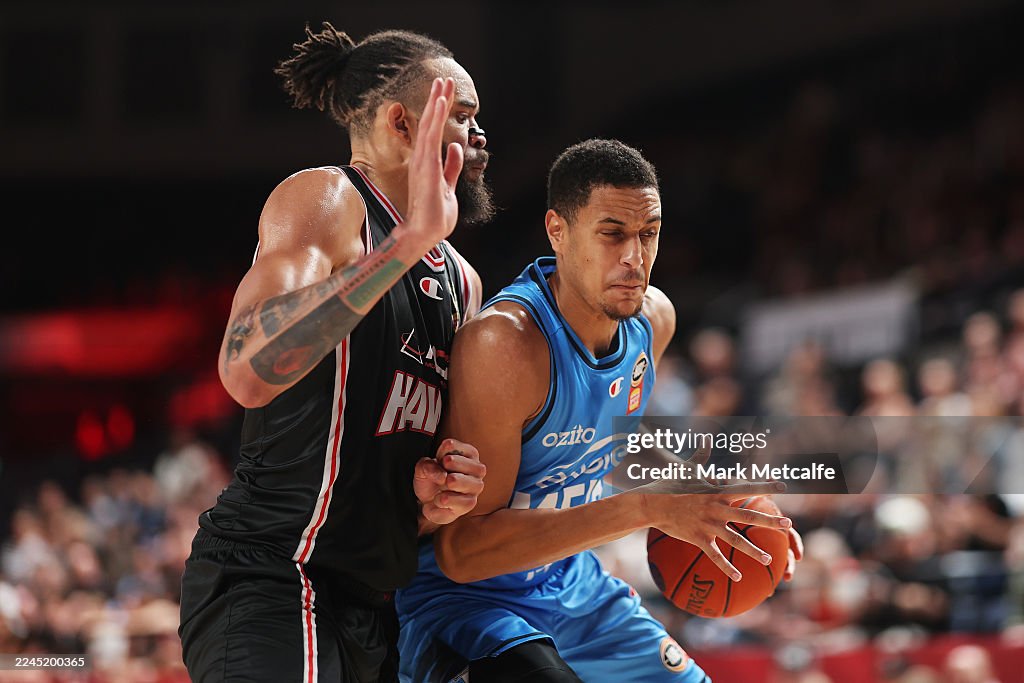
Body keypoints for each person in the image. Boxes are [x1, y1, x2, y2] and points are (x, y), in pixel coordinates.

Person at [396, 139, 802, 682]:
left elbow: (600, 446)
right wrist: (646, 509)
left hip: (572, 585)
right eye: (612, 234)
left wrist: (720, 505)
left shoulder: (654, 319)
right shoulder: (507, 346)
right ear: (558, 231)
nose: (635, 258)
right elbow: (462, 553)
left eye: (649, 234)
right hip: (468, 602)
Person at [178, 24, 492, 682]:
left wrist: (439, 495)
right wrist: (404, 245)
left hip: (375, 605)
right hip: (272, 575)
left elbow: (395, 474)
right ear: (402, 123)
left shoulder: (462, 280)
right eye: (462, 114)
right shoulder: (327, 200)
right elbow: (245, 370)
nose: (480, 134)